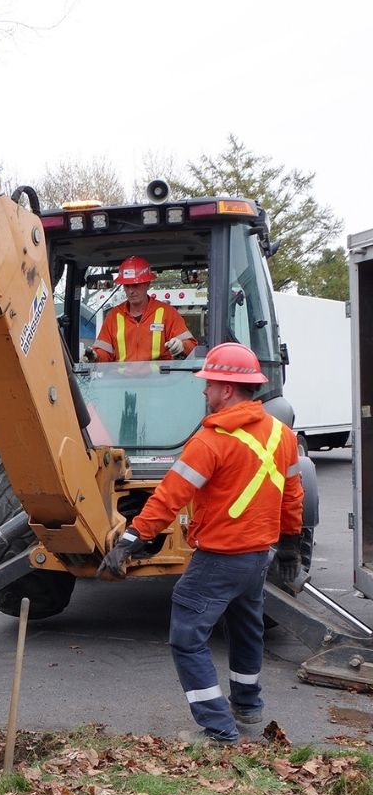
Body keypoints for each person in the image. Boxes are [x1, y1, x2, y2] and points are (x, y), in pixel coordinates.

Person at [100, 343, 303, 744]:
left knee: (187, 634)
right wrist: (291, 546)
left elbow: (168, 497)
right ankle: (246, 707)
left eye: (208, 383)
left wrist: (130, 540)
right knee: (246, 629)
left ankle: (218, 730)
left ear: (227, 389)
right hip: (258, 555)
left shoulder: (210, 442)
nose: (203, 391)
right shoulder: (282, 435)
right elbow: (292, 495)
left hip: (220, 556)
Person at [88, 256, 196, 363]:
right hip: (123, 379)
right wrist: (94, 355)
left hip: (160, 379)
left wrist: (182, 346)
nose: (131, 291)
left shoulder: (167, 313)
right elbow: (104, 352)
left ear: (148, 284)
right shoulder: (114, 316)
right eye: (127, 286)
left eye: (135, 285)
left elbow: (191, 345)